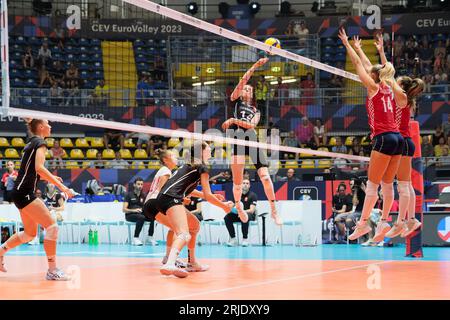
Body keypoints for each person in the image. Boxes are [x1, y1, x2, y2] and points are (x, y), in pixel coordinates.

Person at [338, 29, 404, 241]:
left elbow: (360, 66)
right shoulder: (388, 87)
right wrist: (369, 50)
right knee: (387, 184)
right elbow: (375, 67)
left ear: (373, 76)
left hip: (384, 138)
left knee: (373, 185)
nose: (370, 71)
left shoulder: (374, 88)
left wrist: (348, 46)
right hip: (398, 139)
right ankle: (384, 221)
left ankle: (364, 224)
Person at [0, 119, 74, 279]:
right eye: (48, 124)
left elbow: (37, 171)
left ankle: (0, 252)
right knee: (52, 227)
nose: (51, 126)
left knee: (29, 234)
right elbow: (39, 167)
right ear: (41, 127)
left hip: (19, 192)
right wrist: (63, 188)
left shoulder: (31, 143)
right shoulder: (40, 142)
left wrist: (53, 178)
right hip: (25, 192)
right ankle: (52, 270)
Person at [152, 142, 234, 277]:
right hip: (170, 199)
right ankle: (170, 263)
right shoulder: (202, 167)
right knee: (184, 234)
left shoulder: (188, 165)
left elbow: (200, 192)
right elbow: (208, 196)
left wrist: (215, 198)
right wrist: (225, 207)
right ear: (201, 151)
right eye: (208, 147)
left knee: (194, 225)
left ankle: (192, 262)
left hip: (162, 199)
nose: (210, 149)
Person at [222, 58, 282, 226]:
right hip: (238, 139)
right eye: (245, 88)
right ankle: (239, 208)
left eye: (249, 89)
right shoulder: (235, 101)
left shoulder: (256, 111)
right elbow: (243, 80)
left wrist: (233, 120)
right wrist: (255, 66)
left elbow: (251, 125)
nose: (246, 89)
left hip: (252, 138)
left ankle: (274, 211)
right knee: (237, 182)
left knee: (265, 177)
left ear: (252, 94)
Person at [123, 177, 156, 246]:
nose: (140, 186)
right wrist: (134, 210)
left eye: (141, 184)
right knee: (141, 217)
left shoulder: (143, 195)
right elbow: (124, 209)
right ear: (134, 185)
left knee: (152, 216)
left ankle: (150, 237)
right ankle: (136, 238)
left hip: (140, 214)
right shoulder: (128, 195)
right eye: (138, 184)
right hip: (130, 215)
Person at [225, 179, 257, 247]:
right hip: (238, 214)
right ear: (241, 185)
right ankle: (233, 239)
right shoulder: (237, 195)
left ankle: (245, 239)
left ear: (249, 186)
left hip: (249, 215)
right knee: (227, 217)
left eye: (247, 183)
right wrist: (230, 208)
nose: (245, 184)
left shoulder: (253, 195)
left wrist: (241, 212)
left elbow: (252, 210)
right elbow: (233, 206)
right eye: (244, 183)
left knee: (244, 216)